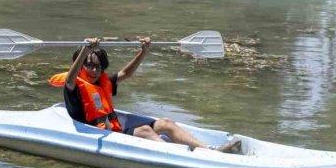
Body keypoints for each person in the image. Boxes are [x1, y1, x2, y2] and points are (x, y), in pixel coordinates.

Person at [48, 37, 241, 153]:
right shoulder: (73, 85)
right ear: (80, 65)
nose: (93, 69)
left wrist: (143, 52)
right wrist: (85, 50)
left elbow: (126, 74)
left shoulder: (101, 82)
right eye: (88, 64)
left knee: (165, 122)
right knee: (146, 132)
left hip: (112, 128)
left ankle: (208, 151)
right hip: (95, 133)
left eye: (98, 66)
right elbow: (70, 78)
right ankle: (183, 157)